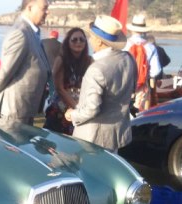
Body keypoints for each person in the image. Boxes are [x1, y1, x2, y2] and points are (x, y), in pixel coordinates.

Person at [64, 15, 137, 153]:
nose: (89, 40)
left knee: (89, 173)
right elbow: (132, 88)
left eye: (91, 37)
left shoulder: (97, 69)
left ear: (99, 41)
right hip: (117, 132)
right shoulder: (128, 59)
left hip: (93, 137)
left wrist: (72, 114)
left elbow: (92, 109)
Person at [0, 0, 50, 127]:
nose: (48, 12)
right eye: (44, 8)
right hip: (15, 109)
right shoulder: (20, 33)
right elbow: (6, 71)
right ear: (30, 7)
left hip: (26, 108)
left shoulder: (32, 33)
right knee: (12, 145)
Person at [44, 27, 93, 134]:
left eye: (82, 39)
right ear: (68, 42)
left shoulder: (89, 61)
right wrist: (76, 107)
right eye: (74, 40)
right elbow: (59, 88)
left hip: (79, 107)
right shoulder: (61, 60)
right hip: (61, 109)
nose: (78, 42)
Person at [124, 14, 161, 111]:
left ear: (131, 29)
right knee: (138, 114)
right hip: (142, 86)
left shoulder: (124, 44)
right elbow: (156, 71)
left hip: (124, 85)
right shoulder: (150, 47)